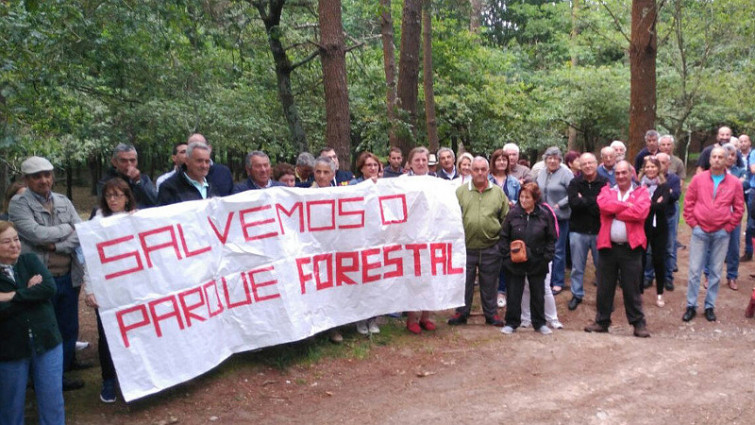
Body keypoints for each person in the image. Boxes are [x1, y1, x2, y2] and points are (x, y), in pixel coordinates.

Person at [8, 156, 87, 391]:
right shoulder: (18, 204)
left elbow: (80, 231)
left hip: (69, 275)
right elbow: (35, 234)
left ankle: (60, 374)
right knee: (43, 330)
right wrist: (67, 229)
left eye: (47, 175)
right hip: (41, 280)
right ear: (26, 179)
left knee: (68, 326)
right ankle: (38, 378)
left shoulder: (63, 200)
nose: (43, 180)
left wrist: (56, 245)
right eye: (36, 176)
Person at [0, 221, 66, 425]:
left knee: (52, 400)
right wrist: (29, 293)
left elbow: (48, 288)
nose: (14, 245)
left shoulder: (29, 260)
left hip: (47, 341)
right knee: (11, 405)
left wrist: (11, 296)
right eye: (6, 241)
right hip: (11, 349)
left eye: (16, 239)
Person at [83, 178, 137, 403]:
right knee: (107, 336)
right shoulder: (96, 224)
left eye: (118, 195)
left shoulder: (138, 220)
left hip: (132, 287)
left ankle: (132, 378)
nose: (113, 199)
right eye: (109, 196)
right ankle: (108, 380)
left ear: (127, 197)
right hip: (107, 288)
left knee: (134, 332)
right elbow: (89, 259)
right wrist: (89, 288)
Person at [584, 161, 651, 338]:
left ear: (632, 174)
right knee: (604, 287)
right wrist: (627, 206)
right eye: (618, 173)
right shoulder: (607, 190)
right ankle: (602, 321)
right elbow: (604, 206)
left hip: (631, 248)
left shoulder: (641, 191)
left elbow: (641, 212)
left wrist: (615, 211)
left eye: (624, 173)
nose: (620, 176)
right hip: (608, 247)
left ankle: (638, 323)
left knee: (632, 287)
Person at [683, 147, 744, 322]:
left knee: (716, 272)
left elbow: (739, 209)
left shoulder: (734, 183)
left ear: (726, 161)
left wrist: (728, 227)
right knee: (695, 271)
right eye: (714, 157)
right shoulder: (698, 179)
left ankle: (709, 306)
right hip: (700, 230)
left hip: (721, 232)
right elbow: (689, 202)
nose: (717, 160)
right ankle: (691, 305)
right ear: (709, 160)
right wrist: (693, 224)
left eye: (720, 157)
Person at [448, 157, 508, 328]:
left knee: (490, 282)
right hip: (465, 247)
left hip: (491, 246)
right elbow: (452, 218)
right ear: (470, 171)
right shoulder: (460, 192)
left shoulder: (498, 192)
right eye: (476, 169)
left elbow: (505, 217)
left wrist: (500, 240)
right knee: (464, 282)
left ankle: (491, 314)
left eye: (483, 169)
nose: (480, 173)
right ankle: (461, 312)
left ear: (488, 171)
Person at [500, 183, 557, 335]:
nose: (523, 200)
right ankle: (512, 322)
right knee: (514, 292)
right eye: (522, 196)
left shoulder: (544, 215)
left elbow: (551, 238)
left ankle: (539, 323)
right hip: (515, 260)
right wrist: (507, 256)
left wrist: (546, 257)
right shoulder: (513, 213)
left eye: (527, 197)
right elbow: (504, 236)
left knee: (538, 293)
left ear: (535, 199)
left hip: (538, 260)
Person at [401, 147, 437, 333]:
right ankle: (412, 318)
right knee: (413, 277)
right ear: (410, 163)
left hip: (431, 235)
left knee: (430, 277)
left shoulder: (436, 182)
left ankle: (426, 316)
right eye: (417, 160)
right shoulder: (401, 182)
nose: (421, 163)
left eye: (424, 160)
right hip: (410, 236)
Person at [566, 153, 607, 310]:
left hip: (599, 231)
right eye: (584, 164)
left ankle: (603, 297)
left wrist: (584, 200)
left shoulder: (604, 183)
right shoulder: (574, 183)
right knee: (577, 267)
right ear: (580, 166)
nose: (588, 166)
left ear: (596, 164)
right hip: (578, 231)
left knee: (602, 268)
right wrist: (593, 201)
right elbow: (573, 203)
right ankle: (577, 294)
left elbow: (603, 207)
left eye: (591, 163)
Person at [536, 147, 573, 295]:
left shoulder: (566, 174)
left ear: (560, 160)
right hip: (543, 216)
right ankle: (546, 278)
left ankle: (558, 281)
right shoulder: (541, 173)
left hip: (560, 217)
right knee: (545, 248)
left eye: (555, 158)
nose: (552, 161)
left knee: (558, 250)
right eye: (549, 158)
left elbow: (574, 193)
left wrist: (560, 204)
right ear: (545, 160)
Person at [488, 149, 521, 307]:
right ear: (493, 162)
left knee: (505, 259)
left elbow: (521, 201)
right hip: (490, 223)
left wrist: (512, 203)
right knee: (490, 259)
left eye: (504, 160)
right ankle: (488, 291)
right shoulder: (487, 180)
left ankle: (502, 290)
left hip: (509, 223)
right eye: (498, 160)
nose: (501, 162)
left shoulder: (514, 182)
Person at [638, 156, 673, 308]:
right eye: (648, 167)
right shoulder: (639, 185)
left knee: (658, 259)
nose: (650, 169)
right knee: (640, 259)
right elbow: (637, 206)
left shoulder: (664, 186)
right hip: (641, 226)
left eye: (653, 167)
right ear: (644, 169)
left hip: (660, 227)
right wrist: (653, 203)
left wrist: (646, 203)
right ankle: (638, 293)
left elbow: (662, 205)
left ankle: (659, 293)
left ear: (658, 169)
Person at [97, 143, 158, 209]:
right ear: (114, 162)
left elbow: (156, 202)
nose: (129, 164)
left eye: (132, 160)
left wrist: (138, 182)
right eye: (123, 161)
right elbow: (106, 206)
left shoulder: (144, 179)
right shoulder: (105, 182)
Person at [653, 153, 682, 291]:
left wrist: (665, 193)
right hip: (651, 218)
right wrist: (666, 192)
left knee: (669, 248)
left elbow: (675, 195)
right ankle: (648, 276)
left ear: (668, 164)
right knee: (649, 248)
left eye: (663, 162)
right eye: (658, 162)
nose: (660, 165)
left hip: (668, 216)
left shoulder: (674, 178)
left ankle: (668, 278)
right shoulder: (649, 178)